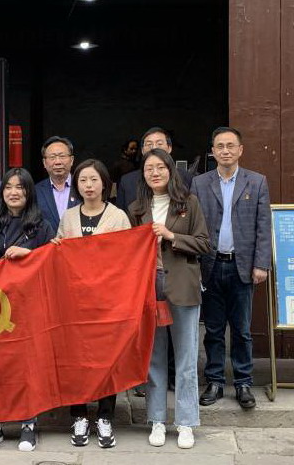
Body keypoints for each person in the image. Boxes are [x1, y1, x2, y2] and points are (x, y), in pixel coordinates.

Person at [128, 148, 210, 450]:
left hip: (182, 286)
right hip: (149, 287)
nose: (155, 173)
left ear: (171, 170)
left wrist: (171, 236)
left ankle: (186, 422)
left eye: (160, 167)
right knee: (155, 357)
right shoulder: (136, 208)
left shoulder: (189, 203)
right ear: (143, 174)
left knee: (186, 358)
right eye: (149, 168)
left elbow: (204, 244)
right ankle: (157, 419)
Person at [0, 167, 55, 452]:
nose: (14, 192)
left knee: (27, 368)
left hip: (30, 308)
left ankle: (28, 424)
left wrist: (28, 255)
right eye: (8, 187)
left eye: (20, 187)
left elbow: (52, 265)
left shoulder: (42, 226)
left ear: (29, 192)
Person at [53, 159, 131, 449]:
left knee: (106, 359)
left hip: (107, 302)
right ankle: (79, 415)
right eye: (83, 180)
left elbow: (127, 256)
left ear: (104, 183)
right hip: (74, 302)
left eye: (94, 180)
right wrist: (56, 248)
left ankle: (105, 416)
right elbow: (59, 252)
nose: (88, 185)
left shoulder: (118, 216)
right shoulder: (69, 216)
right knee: (76, 359)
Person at [191, 127, 271, 410]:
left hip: (242, 266)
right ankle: (214, 381)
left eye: (230, 146)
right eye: (220, 146)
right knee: (213, 329)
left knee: (241, 329)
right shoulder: (200, 183)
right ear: (213, 152)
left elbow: (263, 226)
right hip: (210, 265)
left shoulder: (256, 182)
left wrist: (261, 264)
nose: (225, 151)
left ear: (240, 150)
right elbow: (193, 224)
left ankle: (243, 383)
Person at [116, 127, 192, 211]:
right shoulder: (127, 181)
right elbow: (121, 216)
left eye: (159, 144)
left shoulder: (187, 178)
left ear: (169, 148)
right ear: (142, 150)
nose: (154, 148)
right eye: (149, 144)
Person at [34, 136, 80, 232]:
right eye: (52, 157)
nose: (58, 162)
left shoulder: (82, 187)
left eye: (62, 156)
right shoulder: (35, 191)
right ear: (44, 163)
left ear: (71, 160)